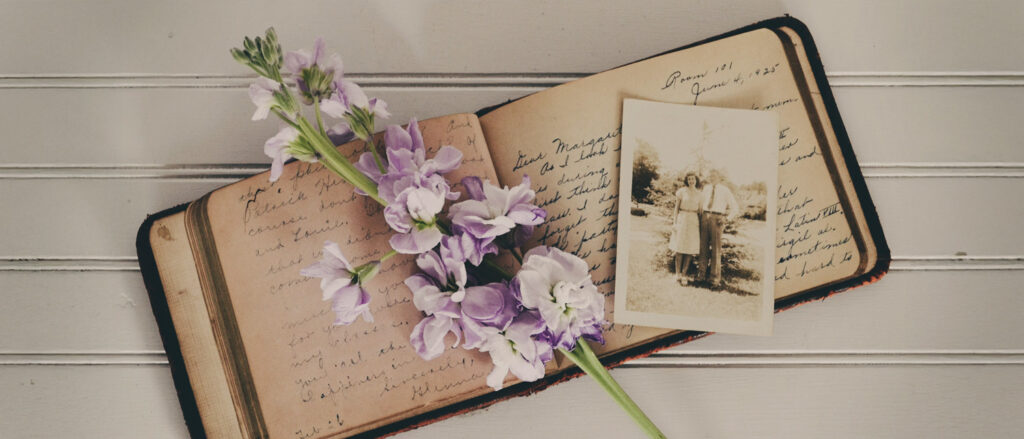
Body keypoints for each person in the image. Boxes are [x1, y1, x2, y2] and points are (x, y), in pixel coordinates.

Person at [696, 169, 739, 288]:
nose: (712, 178)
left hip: (717, 219)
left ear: (719, 177)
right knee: (703, 248)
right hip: (705, 217)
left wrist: (726, 219)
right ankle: (701, 276)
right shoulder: (706, 188)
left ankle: (714, 280)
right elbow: (700, 204)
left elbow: (735, 208)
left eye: (714, 176)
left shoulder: (725, 190)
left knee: (715, 250)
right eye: (710, 176)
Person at [668, 172, 702, 285]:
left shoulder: (699, 194)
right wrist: (674, 223)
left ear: (696, 180)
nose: (691, 181)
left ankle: (684, 274)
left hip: (693, 220)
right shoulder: (682, 191)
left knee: (689, 248)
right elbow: (676, 209)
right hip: (682, 219)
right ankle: (677, 274)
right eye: (689, 179)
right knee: (679, 247)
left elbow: (700, 211)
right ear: (686, 181)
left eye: (693, 179)